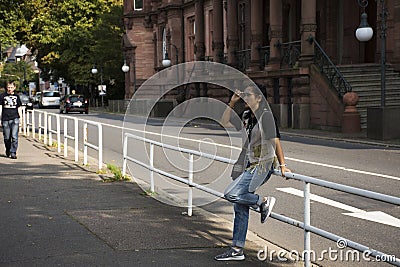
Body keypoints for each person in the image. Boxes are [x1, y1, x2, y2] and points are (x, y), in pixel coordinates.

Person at [215, 85, 290, 261]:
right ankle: (237, 249)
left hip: (263, 165)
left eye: (248, 95)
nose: (245, 97)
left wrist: (283, 165)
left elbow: (276, 141)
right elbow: (224, 122)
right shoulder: (247, 116)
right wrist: (232, 103)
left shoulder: (266, 117)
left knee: (231, 193)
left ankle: (262, 201)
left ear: (259, 98)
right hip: (249, 164)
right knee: (239, 205)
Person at [0, 81, 23, 159]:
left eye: (11, 87)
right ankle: (8, 149)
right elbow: (0, 108)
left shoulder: (17, 97)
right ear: (6, 87)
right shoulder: (2, 96)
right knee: (6, 137)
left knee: (14, 137)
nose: (10, 89)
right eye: (8, 87)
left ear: (14, 88)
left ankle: (13, 152)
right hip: (5, 118)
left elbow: (19, 108)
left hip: (15, 118)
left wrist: (21, 119)